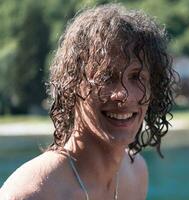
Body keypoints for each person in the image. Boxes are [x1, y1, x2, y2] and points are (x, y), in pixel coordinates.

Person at [0, 3, 177, 200]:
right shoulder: (32, 193)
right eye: (106, 77)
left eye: (136, 77)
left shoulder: (136, 173)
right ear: (71, 85)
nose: (123, 94)